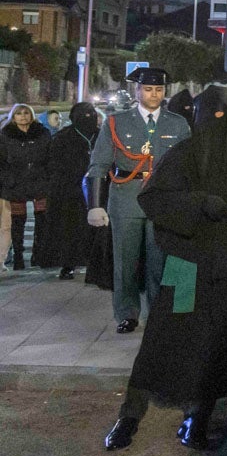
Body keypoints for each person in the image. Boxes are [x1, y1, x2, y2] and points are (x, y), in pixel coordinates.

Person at [103, 86, 227, 452]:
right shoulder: (186, 153)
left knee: (217, 347)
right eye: (217, 115)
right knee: (163, 341)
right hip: (188, 266)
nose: (224, 124)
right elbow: (154, 197)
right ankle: (129, 415)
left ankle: (197, 418)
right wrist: (198, 204)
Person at [85, 67, 191, 332]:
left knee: (159, 263)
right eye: (148, 89)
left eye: (158, 89)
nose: (153, 95)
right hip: (126, 198)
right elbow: (98, 164)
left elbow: (188, 165)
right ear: (137, 90)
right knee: (125, 262)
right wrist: (95, 205)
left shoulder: (177, 123)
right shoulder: (116, 122)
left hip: (161, 201)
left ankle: (156, 314)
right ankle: (127, 313)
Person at [37, 102, 101, 279]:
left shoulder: (102, 135)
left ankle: (95, 263)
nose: (88, 119)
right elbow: (53, 164)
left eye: (91, 114)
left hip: (97, 188)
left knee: (96, 229)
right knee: (69, 228)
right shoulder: (63, 137)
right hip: (69, 191)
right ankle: (68, 263)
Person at [1, 103, 50, 271]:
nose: (23, 116)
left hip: (40, 181)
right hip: (16, 183)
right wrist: (7, 180)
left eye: (26, 113)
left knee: (42, 220)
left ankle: (39, 254)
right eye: (19, 113)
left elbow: (49, 157)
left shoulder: (42, 133)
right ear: (13, 117)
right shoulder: (6, 135)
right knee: (17, 222)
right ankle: (18, 257)